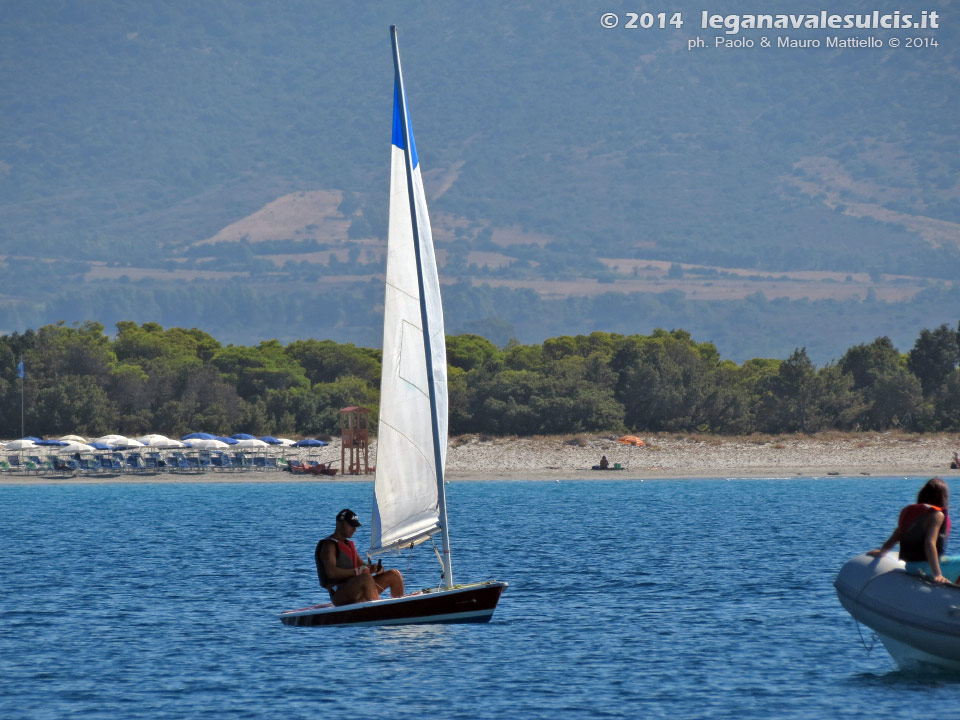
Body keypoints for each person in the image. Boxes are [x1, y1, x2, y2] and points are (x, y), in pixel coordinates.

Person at [868, 477, 960, 584]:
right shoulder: (936, 515)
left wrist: (881, 552)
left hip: (910, 566)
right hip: (926, 567)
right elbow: (929, 543)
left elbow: (894, 538)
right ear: (943, 497)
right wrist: (937, 574)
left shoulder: (912, 513)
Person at [315, 508, 404, 606]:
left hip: (356, 587)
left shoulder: (348, 545)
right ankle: (380, 611)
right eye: (351, 525)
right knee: (365, 578)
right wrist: (358, 571)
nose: (355, 529)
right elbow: (331, 572)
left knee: (394, 574)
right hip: (339, 594)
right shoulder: (328, 545)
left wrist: (375, 569)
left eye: (355, 526)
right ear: (340, 524)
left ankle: (401, 608)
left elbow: (364, 567)